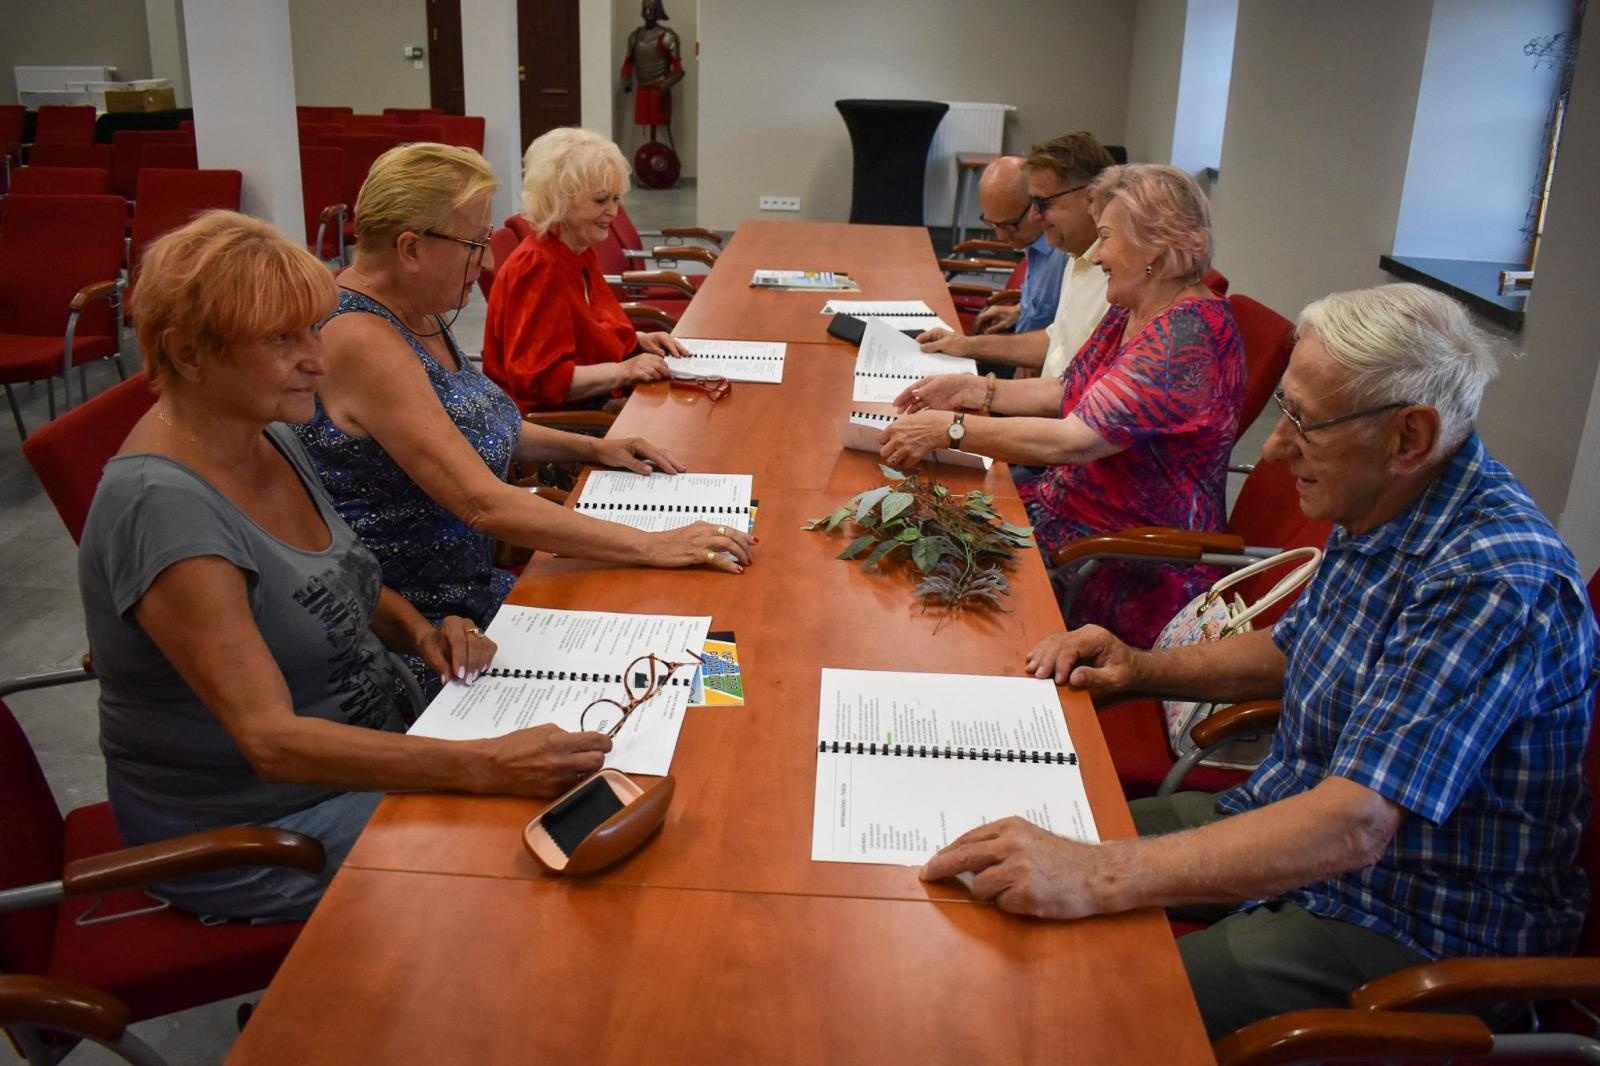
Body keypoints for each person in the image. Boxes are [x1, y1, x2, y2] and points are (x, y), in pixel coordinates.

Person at [921, 283, 1600, 1040]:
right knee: (1009, 870)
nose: (1275, 447)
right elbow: (1293, 650)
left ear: (1409, 436)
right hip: (1296, 817)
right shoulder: (1385, 493)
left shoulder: (1493, 577)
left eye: (1305, 422)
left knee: (1088, 996)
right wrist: (1140, 667)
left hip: (1411, 917)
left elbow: (1355, 825)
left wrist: (1098, 873)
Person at [81, 211, 616, 921]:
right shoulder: (164, 509)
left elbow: (340, 584)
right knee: (545, 870)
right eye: (282, 340)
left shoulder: (268, 430)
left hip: (375, 735)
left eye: (313, 330)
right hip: (263, 828)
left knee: (602, 779)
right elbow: (271, 742)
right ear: (188, 354)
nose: (318, 360)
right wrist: (484, 765)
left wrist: (422, 631)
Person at [299, 143, 751, 690]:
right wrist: (653, 543)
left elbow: (485, 424)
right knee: (692, 650)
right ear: (411, 248)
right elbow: (480, 503)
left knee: (708, 619)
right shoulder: (362, 338)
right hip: (435, 630)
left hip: (477, 588)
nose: (489, 262)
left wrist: (591, 448)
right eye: (474, 245)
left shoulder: (415, 307)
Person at [883, 163, 1243, 648]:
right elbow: (1065, 389)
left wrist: (950, 429)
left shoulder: (1185, 336)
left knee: (927, 597)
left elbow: (1076, 438)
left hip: (1120, 560)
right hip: (1069, 518)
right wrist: (973, 391)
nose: (1097, 256)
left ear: (1156, 247)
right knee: (910, 541)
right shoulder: (1132, 307)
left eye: (1107, 238)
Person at [482, 128, 687, 413]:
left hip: (588, 400)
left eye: (617, 199)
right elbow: (540, 380)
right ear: (559, 199)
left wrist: (637, 341)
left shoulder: (576, 248)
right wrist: (626, 370)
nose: (613, 212)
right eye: (601, 200)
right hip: (552, 420)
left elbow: (584, 329)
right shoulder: (538, 266)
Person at [918, 133, 1115, 377]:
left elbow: (1068, 394)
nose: (1035, 216)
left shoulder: (1114, 280)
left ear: (1090, 195)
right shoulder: (1077, 257)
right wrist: (964, 345)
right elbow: (1054, 339)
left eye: (1043, 204)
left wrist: (987, 391)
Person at [962, 155, 1066, 340]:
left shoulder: (1065, 252)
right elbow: (1045, 305)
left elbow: (1067, 336)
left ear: (1036, 207)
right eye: (992, 223)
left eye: (1009, 225)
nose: (1001, 236)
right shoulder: (1031, 242)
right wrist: (1018, 311)